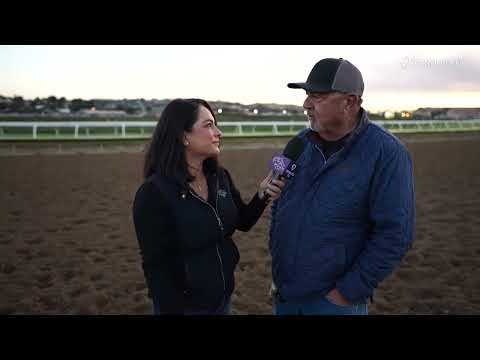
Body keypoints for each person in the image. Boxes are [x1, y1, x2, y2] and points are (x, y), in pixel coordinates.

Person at [269, 58, 415, 315]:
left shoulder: (388, 153)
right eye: (306, 95)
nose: (306, 104)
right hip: (285, 293)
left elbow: (395, 233)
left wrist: (346, 293)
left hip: (334, 302)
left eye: (317, 96)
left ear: (350, 102)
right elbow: (277, 196)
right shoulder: (298, 143)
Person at [133, 98, 284, 315]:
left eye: (215, 124)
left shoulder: (220, 177)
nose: (218, 132)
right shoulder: (154, 193)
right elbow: (156, 268)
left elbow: (242, 222)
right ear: (183, 136)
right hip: (185, 309)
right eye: (208, 125)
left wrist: (262, 195)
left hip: (222, 301)